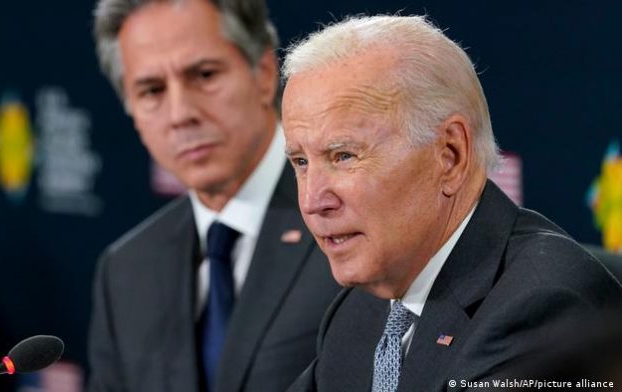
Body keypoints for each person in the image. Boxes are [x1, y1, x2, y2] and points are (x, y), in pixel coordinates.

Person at [280, 15, 622, 392]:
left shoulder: (543, 306)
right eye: (300, 162)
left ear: (450, 155)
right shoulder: (358, 312)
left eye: (343, 156)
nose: (313, 201)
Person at [87, 1, 340, 391]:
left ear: (264, 74)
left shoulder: (347, 224)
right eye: (151, 90)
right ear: (132, 111)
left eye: (204, 75)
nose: (180, 113)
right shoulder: (126, 272)